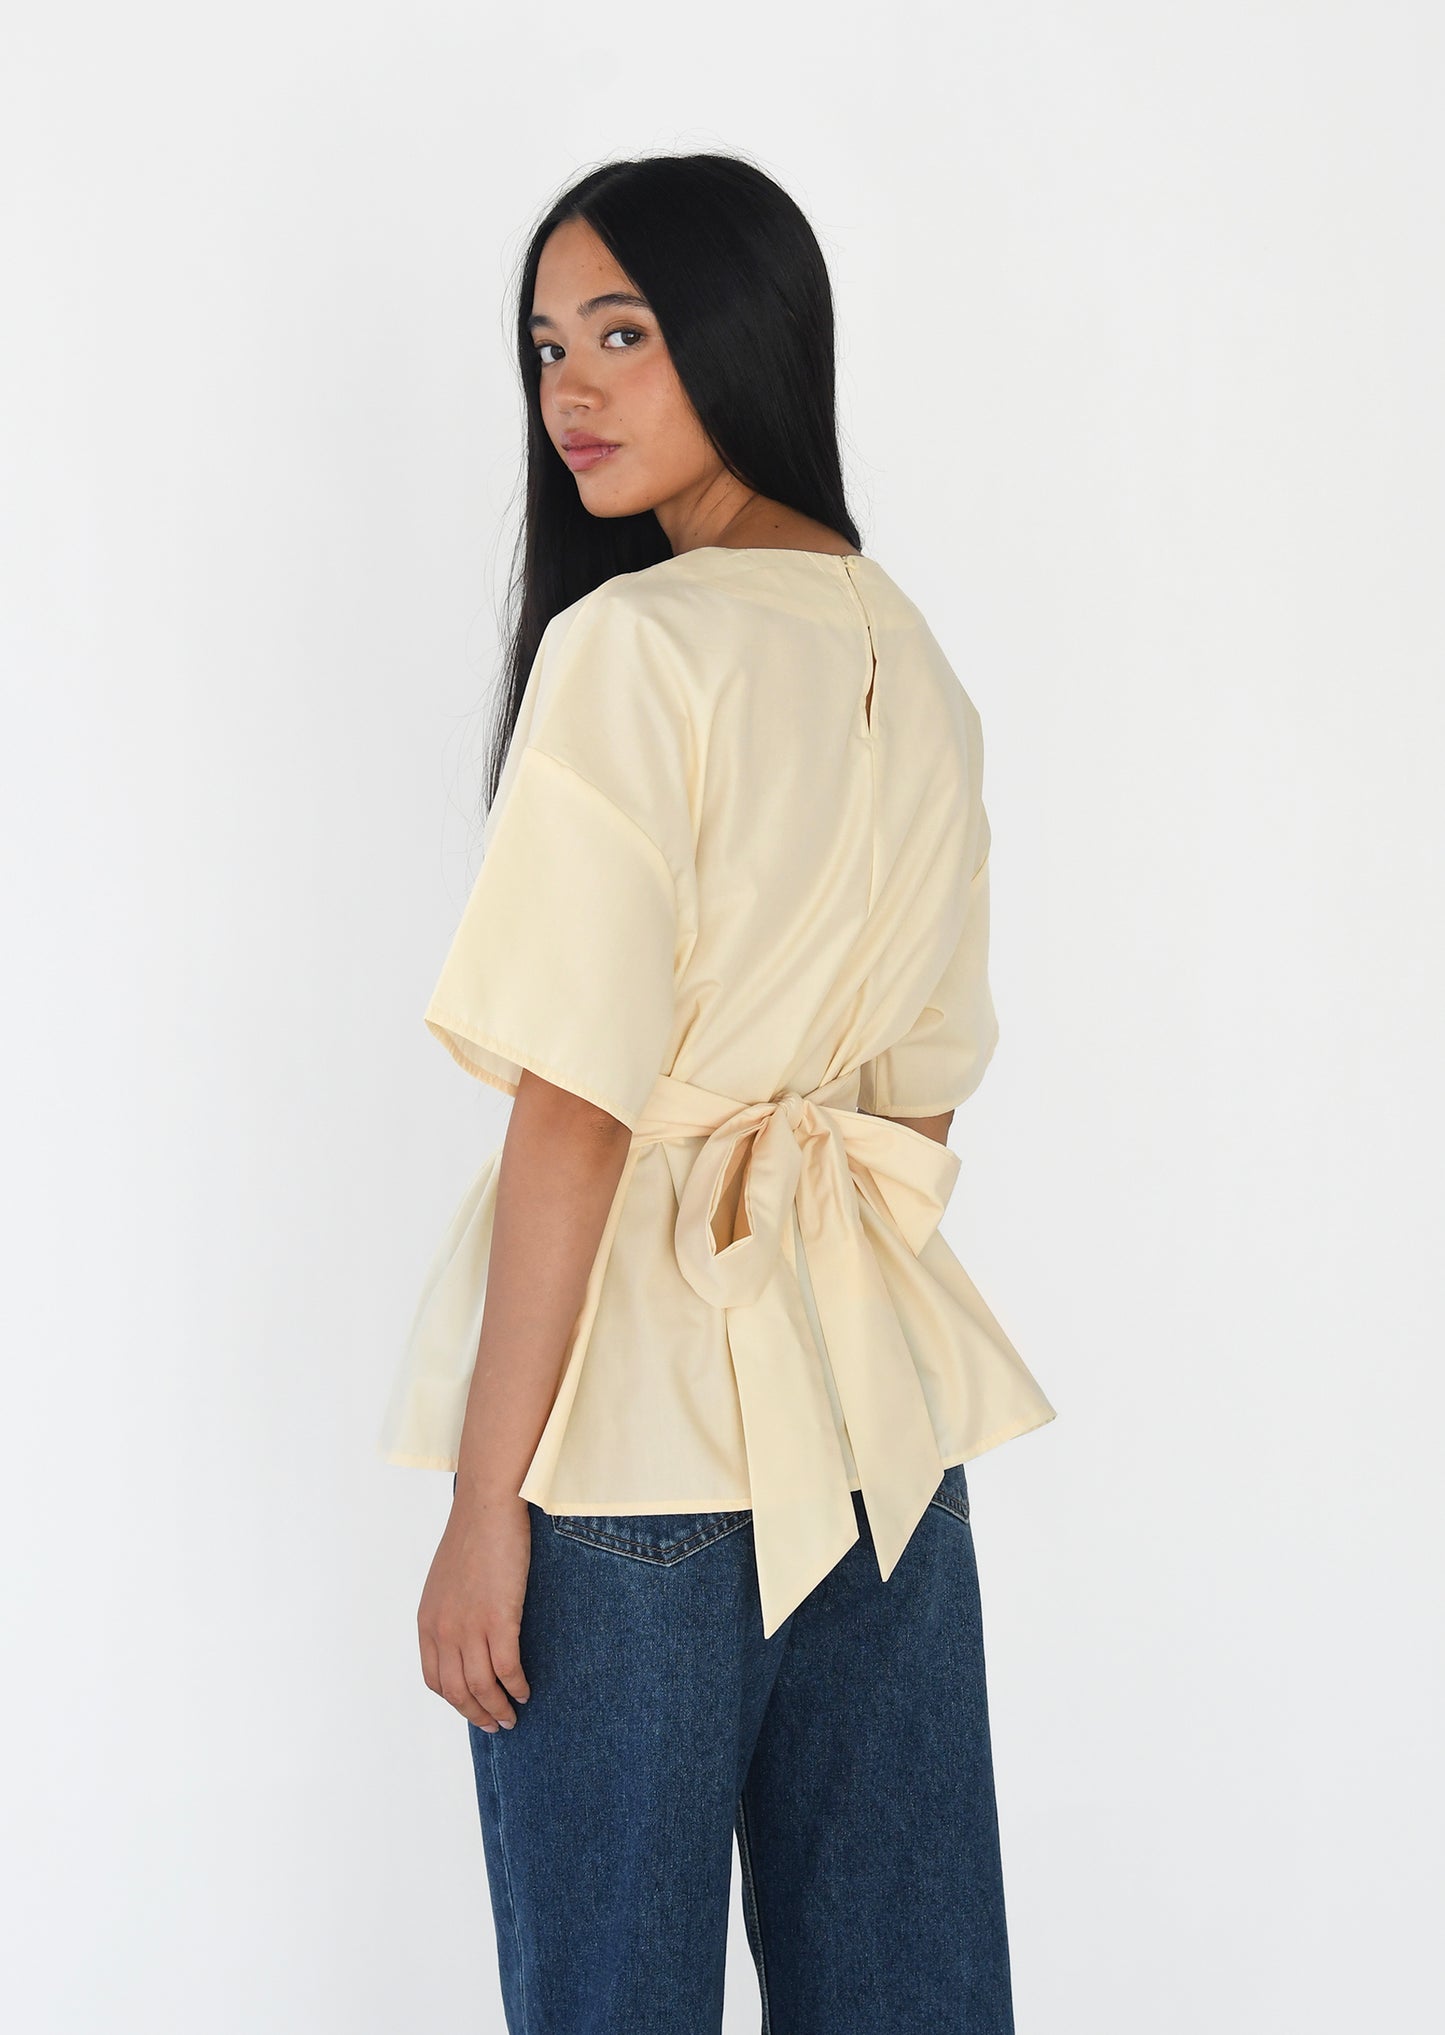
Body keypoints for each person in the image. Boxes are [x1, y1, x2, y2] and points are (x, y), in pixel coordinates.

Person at [378, 152, 1057, 2034]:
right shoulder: (914, 658)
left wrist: (485, 1509)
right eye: (545, 347)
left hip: (637, 1458)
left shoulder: (633, 646)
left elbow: (576, 1108)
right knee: (912, 1998)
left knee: (613, 2001)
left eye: (625, 332)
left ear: (743, 335)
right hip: (878, 1436)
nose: (572, 390)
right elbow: (918, 1114)